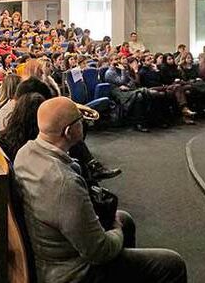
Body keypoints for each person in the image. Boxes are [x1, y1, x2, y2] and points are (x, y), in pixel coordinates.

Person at [13, 96, 187, 283]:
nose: (84, 123)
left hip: (49, 252)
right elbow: (99, 252)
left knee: (125, 219)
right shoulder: (64, 182)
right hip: (74, 273)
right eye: (80, 121)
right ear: (68, 131)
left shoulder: (25, 153)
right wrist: (116, 228)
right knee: (172, 264)